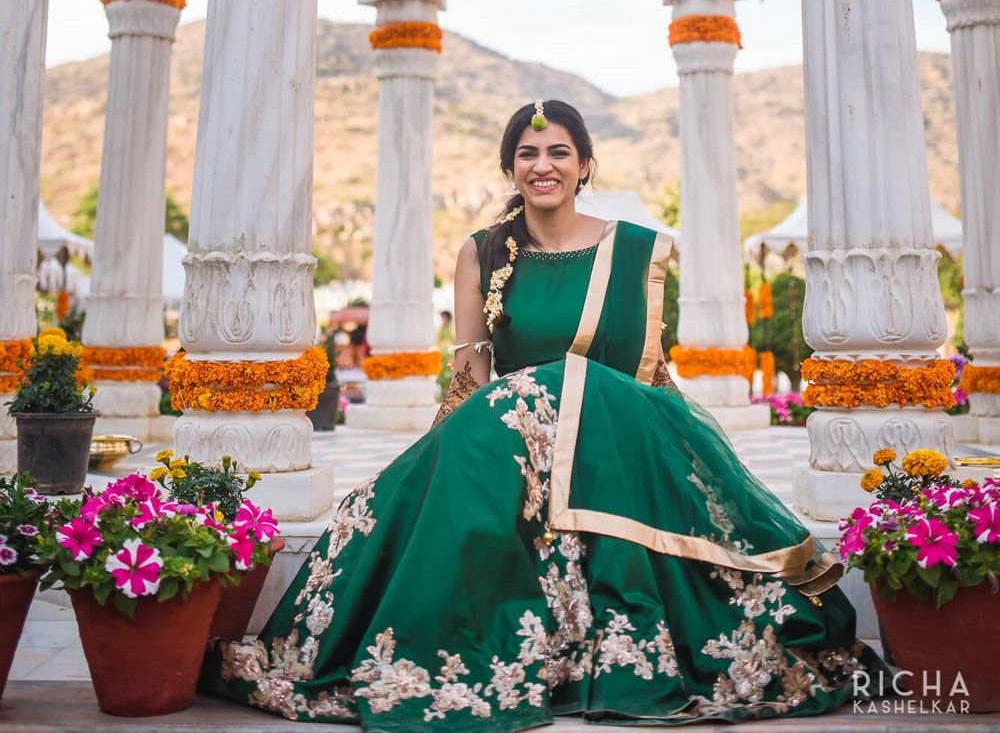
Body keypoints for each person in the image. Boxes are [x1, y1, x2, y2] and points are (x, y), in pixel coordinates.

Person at [206, 99, 882, 728]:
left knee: (546, 390)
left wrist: (686, 461)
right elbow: (471, 380)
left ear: (586, 164)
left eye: (559, 152)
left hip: (615, 440)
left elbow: (646, 376)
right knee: (452, 464)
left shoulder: (637, 250)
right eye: (528, 155)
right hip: (515, 444)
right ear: (510, 167)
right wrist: (437, 462)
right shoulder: (483, 252)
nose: (543, 166)